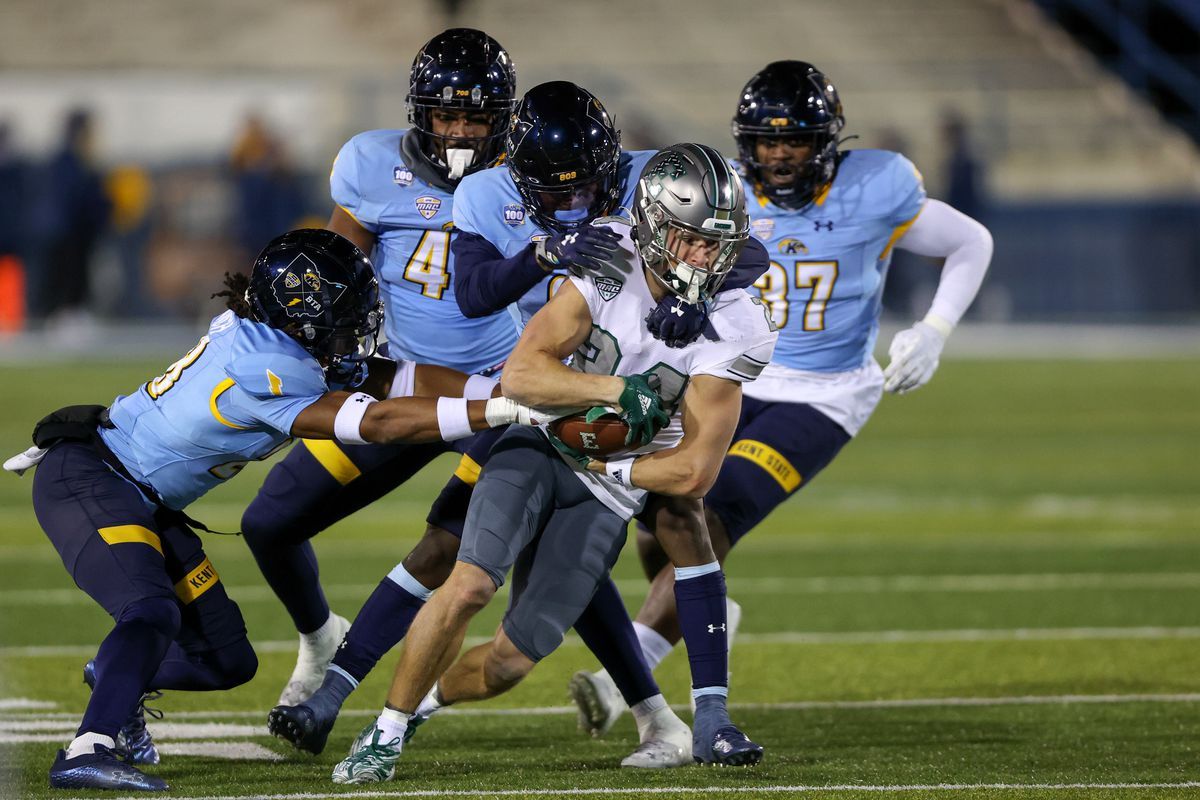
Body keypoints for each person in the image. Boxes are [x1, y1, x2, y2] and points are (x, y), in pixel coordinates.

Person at [269, 82, 770, 769]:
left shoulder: (665, 203)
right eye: (553, 194)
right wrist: (549, 262)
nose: (572, 204)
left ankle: (683, 717)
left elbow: (742, 246)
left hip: (608, 445)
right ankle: (368, 712)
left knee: (676, 520)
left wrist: (702, 292)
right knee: (454, 559)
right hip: (520, 402)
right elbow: (486, 311)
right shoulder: (579, 246)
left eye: (587, 189)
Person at [1, 228, 549, 792]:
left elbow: (394, 378)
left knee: (227, 660)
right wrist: (504, 410)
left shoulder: (281, 340)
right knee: (150, 611)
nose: (357, 328)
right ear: (302, 318)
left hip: (145, 498)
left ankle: (118, 677)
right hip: (96, 480)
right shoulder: (268, 366)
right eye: (344, 316)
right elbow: (378, 424)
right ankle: (87, 748)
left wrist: (495, 389)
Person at [568, 60, 994, 732]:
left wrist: (935, 329)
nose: (779, 154)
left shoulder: (878, 186)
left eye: (793, 139)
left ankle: (628, 676)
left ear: (825, 140)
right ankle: (707, 611)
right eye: (766, 142)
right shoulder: (721, 191)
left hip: (822, 395)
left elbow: (971, 240)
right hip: (729, 374)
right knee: (663, 518)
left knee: (713, 514)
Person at [238, 27, 520, 710]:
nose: (457, 130)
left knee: (462, 547)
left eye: (474, 117)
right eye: (445, 114)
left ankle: (652, 707)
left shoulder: (529, 180)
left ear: (502, 120)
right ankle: (318, 637)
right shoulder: (372, 165)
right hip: (403, 386)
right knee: (269, 522)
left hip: (504, 396)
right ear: (419, 114)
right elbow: (335, 276)